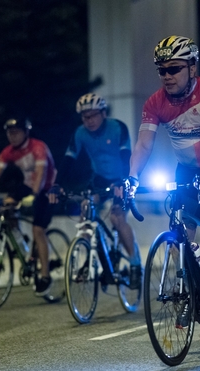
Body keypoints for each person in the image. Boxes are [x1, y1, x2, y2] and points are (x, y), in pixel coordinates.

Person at [125, 35, 200, 301]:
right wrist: (132, 178)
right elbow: (143, 145)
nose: (167, 76)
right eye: (162, 70)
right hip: (187, 168)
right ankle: (193, 284)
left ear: (192, 67)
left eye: (174, 69)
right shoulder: (155, 103)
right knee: (179, 228)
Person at [52, 93, 141, 289]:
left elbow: (127, 156)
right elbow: (68, 159)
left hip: (121, 178)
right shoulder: (80, 133)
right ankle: (89, 256)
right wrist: (57, 185)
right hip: (99, 179)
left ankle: (135, 264)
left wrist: (123, 182)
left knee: (117, 218)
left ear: (103, 113)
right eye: (85, 117)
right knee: (86, 210)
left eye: (93, 115)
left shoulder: (117, 128)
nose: (89, 121)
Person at [0, 117, 57, 296]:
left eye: (16, 132)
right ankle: (21, 243)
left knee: (38, 230)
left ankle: (45, 276)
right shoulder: (9, 151)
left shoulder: (38, 147)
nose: (13, 136)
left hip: (47, 188)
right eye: (10, 133)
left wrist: (34, 196)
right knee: (6, 206)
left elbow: (41, 173)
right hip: (28, 185)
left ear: (26, 132)